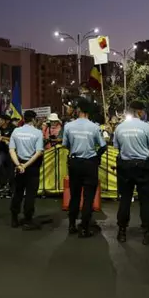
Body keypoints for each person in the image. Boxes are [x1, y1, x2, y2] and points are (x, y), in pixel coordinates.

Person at [113, 102, 149, 244]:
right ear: (139, 112)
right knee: (145, 201)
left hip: (125, 166)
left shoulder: (119, 127)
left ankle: (122, 232)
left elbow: (117, 147)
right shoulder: (146, 127)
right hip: (143, 166)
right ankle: (147, 233)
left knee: (125, 199)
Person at [61, 102, 106, 237]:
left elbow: (65, 145)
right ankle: (85, 227)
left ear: (79, 110)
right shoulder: (94, 127)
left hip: (74, 162)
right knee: (88, 197)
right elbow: (103, 146)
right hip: (89, 163)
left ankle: (71, 225)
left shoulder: (68, 126)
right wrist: (96, 157)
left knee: (74, 196)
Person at [9, 110, 45, 230]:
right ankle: (27, 219)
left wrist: (19, 165)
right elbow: (38, 152)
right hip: (32, 166)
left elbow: (11, 150)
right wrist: (26, 165)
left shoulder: (16, 131)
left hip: (19, 164)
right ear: (34, 119)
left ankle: (14, 217)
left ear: (23, 119)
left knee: (18, 192)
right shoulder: (38, 133)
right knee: (30, 194)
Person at [0, 114, 15, 197]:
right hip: (1, 150)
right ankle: (4, 181)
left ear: (5, 121)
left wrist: (2, 138)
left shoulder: (12, 127)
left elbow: (13, 138)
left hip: (11, 151)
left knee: (11, 168)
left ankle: (10, 186)